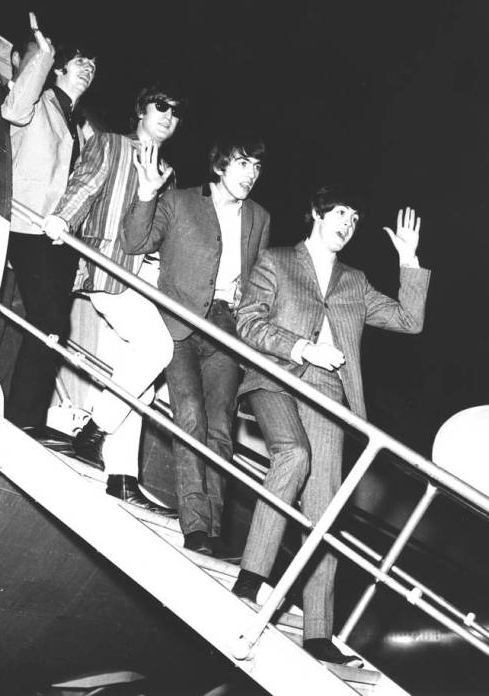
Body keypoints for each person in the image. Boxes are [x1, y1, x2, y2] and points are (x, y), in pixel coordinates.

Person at [231, 185, 431, 666]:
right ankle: (252, 575)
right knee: (293, 456)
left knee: (325, 508)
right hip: (277, 378)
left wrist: (409, 260)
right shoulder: (277, 260)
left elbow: (409, 321)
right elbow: (248, 321)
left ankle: (318, 632)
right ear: (318, 214)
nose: (348, 223)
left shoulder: (356, 282)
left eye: (356, 217)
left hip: (329, 395)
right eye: (341, 212)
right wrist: (302, 347)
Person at [122, 134, 270, 556]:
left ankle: (215, 528)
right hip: (179, 320)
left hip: (226, 325)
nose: (251, 175)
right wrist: (147, 193)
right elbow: (136, 242)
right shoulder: (182, 201)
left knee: (221, 428)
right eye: (243, 164)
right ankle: (196, 527)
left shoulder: (260, 217)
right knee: (190, 419)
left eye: (257, 169)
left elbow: (257, 277)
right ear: (221, 166)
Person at [43, 85, 186, 516]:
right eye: (161, 106)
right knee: (158, 349)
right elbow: (86, 184)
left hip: (144, 279)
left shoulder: (168, 171)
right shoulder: (112, 145)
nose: (167, 115)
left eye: (176, 112)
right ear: (141, 110)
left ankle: (122, 476)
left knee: (134, 373)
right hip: (107, 268)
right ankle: (93, 428)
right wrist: (62, 218)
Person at [2, 13, 97, 444]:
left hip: (60, 238)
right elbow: (13, 108)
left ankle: (26, 415)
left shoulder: (82, 124)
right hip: (27, 224)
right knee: (50, 319)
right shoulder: (37, 103)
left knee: (53, 328)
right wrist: (43, 52)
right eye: (81, 61)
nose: (89, 67)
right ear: (58, 67)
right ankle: (23, 418)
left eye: (93, 65)